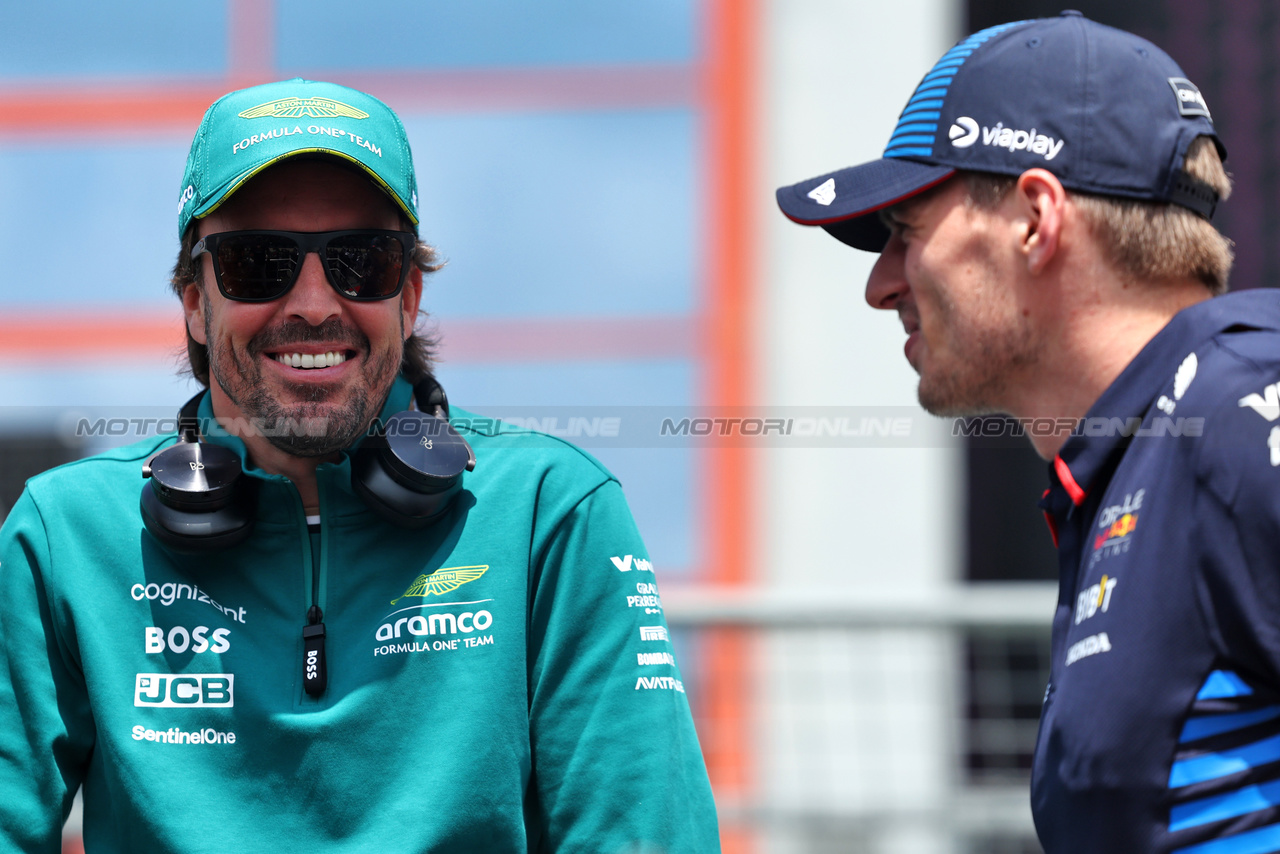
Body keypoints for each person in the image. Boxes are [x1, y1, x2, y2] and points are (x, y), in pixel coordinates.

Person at [0, 78, 719, 853]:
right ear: (192, 300)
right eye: (257, 262)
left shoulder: (551, 511)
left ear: (409, 297)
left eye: (362, 262)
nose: (313, 302)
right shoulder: (64, 535)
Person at [776, 12, 1280, 854]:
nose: (880, 285)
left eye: (905, 232)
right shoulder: (1128, 467)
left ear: (1036, 218)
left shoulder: (1240, 408)